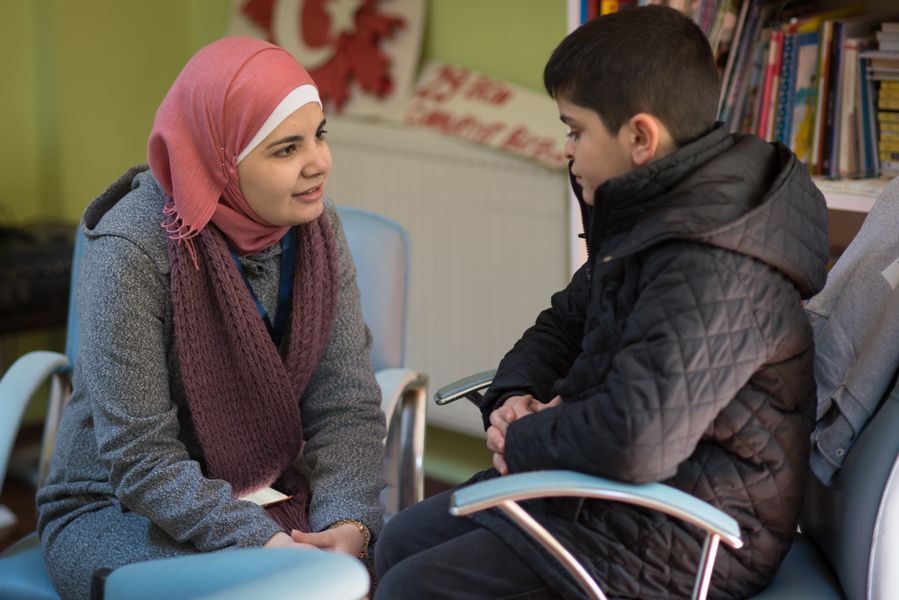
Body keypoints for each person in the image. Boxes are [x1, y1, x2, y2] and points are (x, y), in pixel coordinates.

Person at [375, 6, 829, 599]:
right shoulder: (658, 216)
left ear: (640, 138)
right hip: (613, 492)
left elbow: (638, 437)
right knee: (397, 542)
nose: (567, 150)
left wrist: (525, 439)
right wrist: (513, 397)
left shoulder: (715, 261)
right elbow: (565, 321)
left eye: (575, 130)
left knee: (413, 587)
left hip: (687, 530)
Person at [36, 37, 386, 600]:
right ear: (219, 157)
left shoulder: (318, 228)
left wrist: (349, 523)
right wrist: (266, 547)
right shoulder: (134, 245)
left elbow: (344, 404)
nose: (318, 163)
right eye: (285, 149)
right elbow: (141, 462)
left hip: (267, 495)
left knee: (379, 566)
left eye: (319, 136)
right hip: (118, 511)